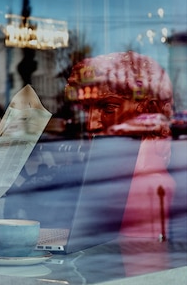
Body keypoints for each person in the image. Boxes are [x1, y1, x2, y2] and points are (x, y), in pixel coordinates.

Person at [64, 50, 176, 239]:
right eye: (87, 109)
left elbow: (145, 264)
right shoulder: (117, 177)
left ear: (148, 109)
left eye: (108, 108)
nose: (92, 124)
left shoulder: (144, 185)